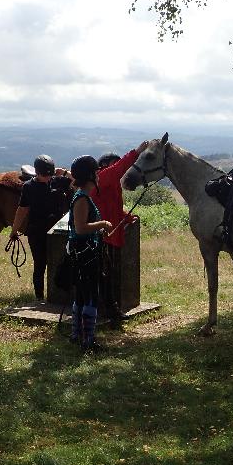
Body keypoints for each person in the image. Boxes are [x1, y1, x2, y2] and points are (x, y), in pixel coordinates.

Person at [90, 141, 150, 327]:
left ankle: (111, 309)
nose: (118, 169)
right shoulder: (102, 177)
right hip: (98, 235)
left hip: (107, 233)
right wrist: (137, 152)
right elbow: (119, 169)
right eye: (113, 164)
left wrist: (126, 216)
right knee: (103, 275)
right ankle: (109, 311)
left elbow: (113, 207)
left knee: (106, 274)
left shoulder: (111, 182)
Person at [67, 155, 113, 352]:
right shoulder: (82, 199)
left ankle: (77, 334)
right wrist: (102, 224)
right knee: (90, 295)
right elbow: (81, 227)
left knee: (82, 295)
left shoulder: (81, 196)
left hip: (82, 251)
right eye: (96, 173)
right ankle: (88, 340)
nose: (99, 176)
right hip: (85, 252)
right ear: (90, 176)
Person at [9, 154, 69, 301]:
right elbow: (22, 210)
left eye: (50, 175)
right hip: (37, 232)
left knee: (59, 263)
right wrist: (14, 230)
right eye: (45, 175)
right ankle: (39, 297)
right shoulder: (28, 187)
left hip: (57, 231)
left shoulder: (58, 181)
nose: (48, 178)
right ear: (37, 173)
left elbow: (81, 181)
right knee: (40, 264)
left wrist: (65, 173)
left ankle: (58, 296)